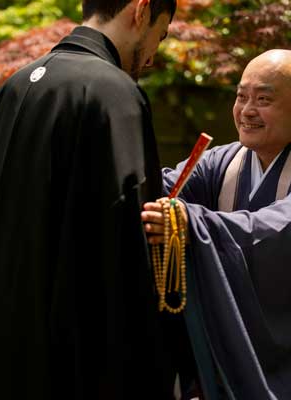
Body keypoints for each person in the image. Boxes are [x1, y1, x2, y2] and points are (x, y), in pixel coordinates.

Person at [0, 1, 186, 399]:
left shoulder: (15, 86)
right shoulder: (114, 93)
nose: (154, 55)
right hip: (69, 361)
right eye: (161, 34)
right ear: (141, 10)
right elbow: (126, 249)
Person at [142, 49, 291, 399]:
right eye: (241, 97)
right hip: (224, 345)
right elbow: (154, 191)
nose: (247, 111)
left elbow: (275, 227)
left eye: (264, 99)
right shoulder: (221, 163)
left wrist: (189, 223)